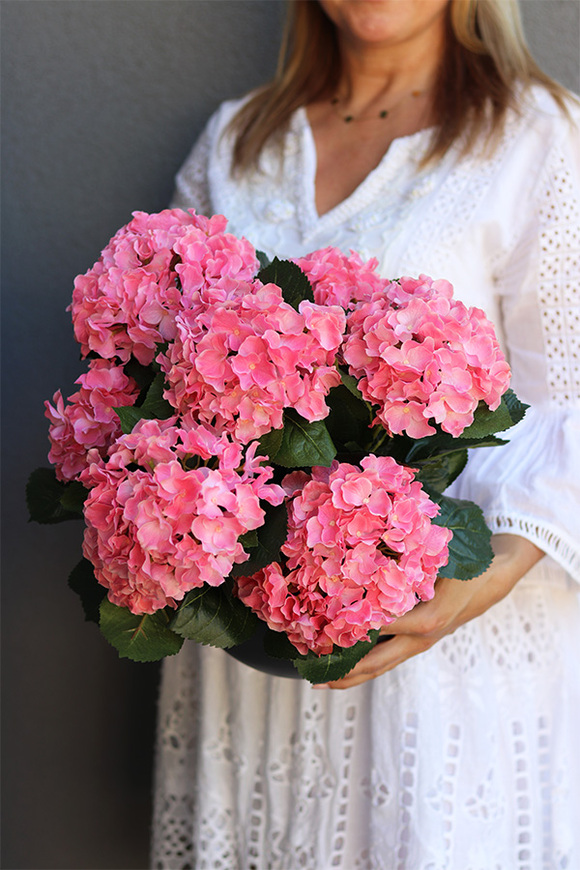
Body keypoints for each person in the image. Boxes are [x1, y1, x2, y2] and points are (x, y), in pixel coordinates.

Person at [152, 1, 580, 866]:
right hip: (255, 656)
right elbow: (156, 376)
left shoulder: (536, 135)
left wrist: (471, 587)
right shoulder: (240, 141)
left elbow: (574, 398)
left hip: (452, 656)